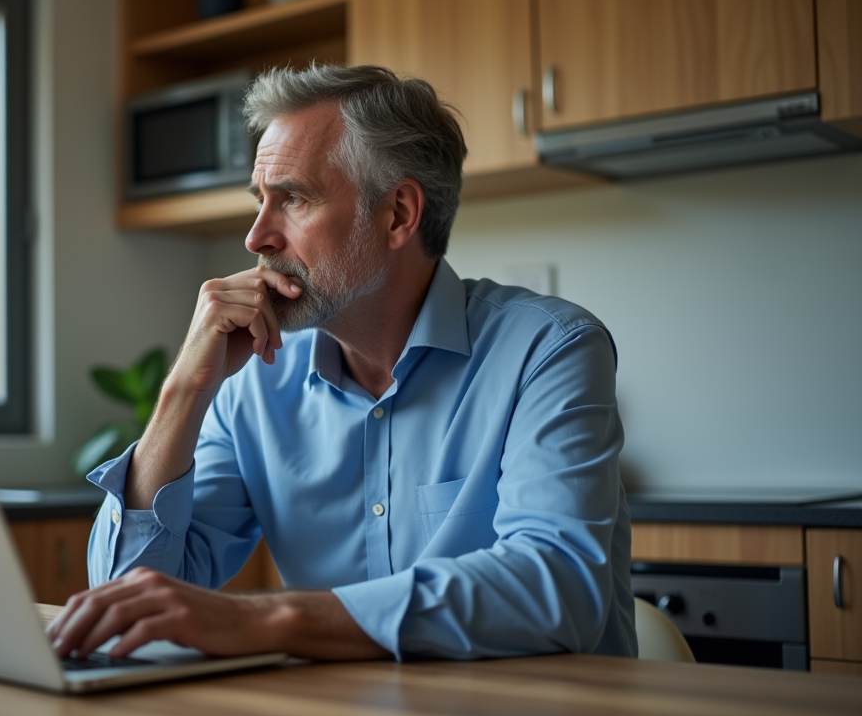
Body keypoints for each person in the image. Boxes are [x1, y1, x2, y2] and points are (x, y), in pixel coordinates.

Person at [48, 65, 637, 663]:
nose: (256, 238)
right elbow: (123, 594)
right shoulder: (254, 375)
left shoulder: (550, 349)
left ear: (399, 214)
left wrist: (274, 617)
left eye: (294, 199)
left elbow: (560, 591)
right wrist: (184, 389)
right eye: (261, 202)